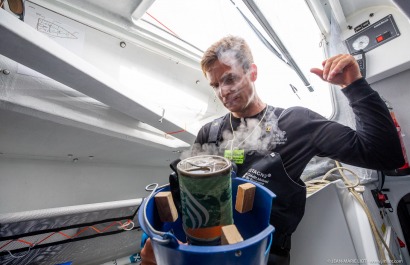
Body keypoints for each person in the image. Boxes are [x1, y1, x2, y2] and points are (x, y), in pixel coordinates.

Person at [141, 35, 404, 265]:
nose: (223, 92)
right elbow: (189, 197)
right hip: (208, 251)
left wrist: (354, 84)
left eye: (229, 78)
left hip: (264, 256)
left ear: (252, 72)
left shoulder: (297, 124)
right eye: (215, 85)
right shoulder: (209, 133)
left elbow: (384, 154)